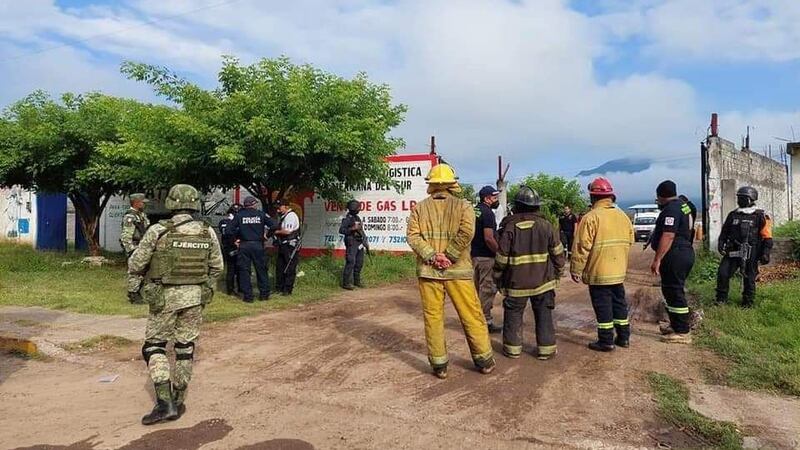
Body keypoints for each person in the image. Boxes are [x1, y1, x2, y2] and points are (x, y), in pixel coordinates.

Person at [128, 184, 223, 425]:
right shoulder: (206, 231)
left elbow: (136, 263)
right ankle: (179, 400)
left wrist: (135, 287)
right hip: (195, 298)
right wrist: (206, 289)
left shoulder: (158, 231)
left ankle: (165, 403)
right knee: (185, 347)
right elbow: (217, 267)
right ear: (194, 204)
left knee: (154, 347)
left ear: (171, 203)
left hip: (164, 299)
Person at [407, 163, 495, 379]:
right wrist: (450, 256)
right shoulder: (463, 206)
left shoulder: (419, 208)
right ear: (451, 183)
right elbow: (467, 232)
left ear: (432, 184)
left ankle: (440, 366)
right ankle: (484, 361)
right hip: (459, 271)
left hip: (429, 272)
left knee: (433, 317)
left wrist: (432, 256)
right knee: (472, 315)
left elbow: (413, 236)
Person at [495, 186, 565, 360]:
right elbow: (558, 253)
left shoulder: (510, 228)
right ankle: (546, 351)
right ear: (536, 206)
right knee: (544, 315)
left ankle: (512, 350)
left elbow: (501, 259)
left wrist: (498, 279)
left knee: (513, 315)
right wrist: (558, 272)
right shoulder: (546, 226)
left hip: (516, 284)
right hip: (543, 283)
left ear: (517, 206)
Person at [570, 178, 634, 352]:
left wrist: (576, 269)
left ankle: (606, 341)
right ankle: (624, 337)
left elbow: (582, 246)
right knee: (619, 304)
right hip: (618, 272)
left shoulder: (590, 217)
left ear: (593, 197)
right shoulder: (623, 217)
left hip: (599, 273)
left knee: (603, 307)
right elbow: (630, 240)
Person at [650, 180, 695, 344]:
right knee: (670, 290)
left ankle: (683, 332)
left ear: (661, 196)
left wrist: (657, 259)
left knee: (674, 291)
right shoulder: (683, 205)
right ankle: (676, 325)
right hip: (683, 251)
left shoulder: (671, 210)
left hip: (675, 254)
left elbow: (668, 235)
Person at [715, 186, 773, 308]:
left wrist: (765, 253)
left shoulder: (761, 216)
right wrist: (721, 243)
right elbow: (725, 232)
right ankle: (721, 300)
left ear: (750, 199)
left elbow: (767, 237)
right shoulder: (733, 214)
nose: (739, 200)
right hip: (733, 250)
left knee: (749, 277)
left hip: (751, 252)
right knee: (723, 273)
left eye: (742, 198)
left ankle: (747, 303)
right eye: (738, 198)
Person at [229, 196, 275, 302]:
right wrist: (267, 236)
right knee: (261, 270)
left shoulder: (239, 215)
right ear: (254, 204)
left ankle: (248, 297)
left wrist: (235, 240)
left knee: (244, 271)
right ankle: (264, 295)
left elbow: (228, 229)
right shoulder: (261, 214)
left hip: (244, 245)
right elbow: (274, 225)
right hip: (258, 245)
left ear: (245, 205)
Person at [471, 185, 502, 333]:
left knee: (476, 289)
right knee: (487, 290)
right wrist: (499, 253)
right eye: (494, 197)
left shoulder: (474, 210)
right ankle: (485, 322)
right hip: (486, 257)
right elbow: (489, 238)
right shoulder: (488, 213)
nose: (497, 200)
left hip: (474, 256)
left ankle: (475, 320)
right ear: (487, 198)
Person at [120, 193, 150, 304]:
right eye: (142, 202)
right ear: (136, 203)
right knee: (135, 271)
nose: (144, 204)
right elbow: (126, 236)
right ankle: (133, 293)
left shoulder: (141, 215)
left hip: (142, 246)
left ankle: (138, 291)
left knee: (143, 271)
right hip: (135, 246)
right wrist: (131, 250)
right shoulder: (130, 217)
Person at [274, 200, 301, 296]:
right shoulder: (283, 216)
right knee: (280, 266)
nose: (278, 209)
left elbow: (287, 231)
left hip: (290, 245)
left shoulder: (291, 216)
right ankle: (279, 287)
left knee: (289, 267)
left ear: (285, 206)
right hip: (283, 244)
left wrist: (275, 232)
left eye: (279, 207)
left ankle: (287, 289)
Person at [340, 200, 367, 290]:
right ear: (353, 208)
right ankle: (346, 283)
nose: (359, 209)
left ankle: (357, 281)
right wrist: (352, 229)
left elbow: (361, 231)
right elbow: (341, 230)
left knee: (359, 262)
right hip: (351, 243)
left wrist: (365, 241)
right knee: (351, 262)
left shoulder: (357, 218)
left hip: (359, 243)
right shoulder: (348, 219)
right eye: (358, 208)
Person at [218, 203, 242, 295]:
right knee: (238, 268)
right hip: (234, 246)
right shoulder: (234, 223)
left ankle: (230, 289)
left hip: (227, 246)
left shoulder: (223, 222)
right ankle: (238, 288)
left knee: (231, 269)